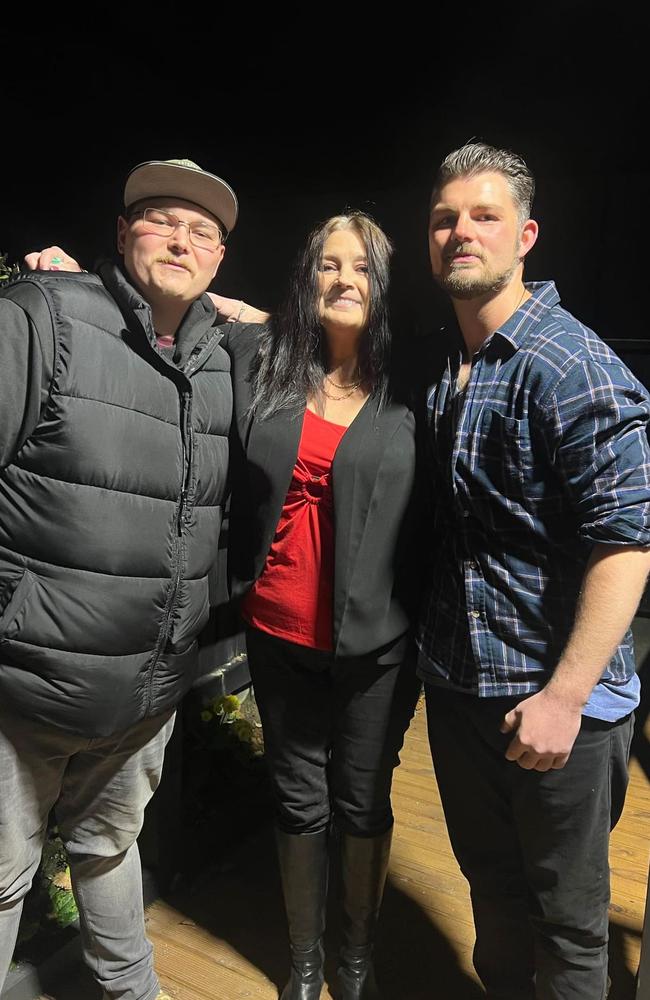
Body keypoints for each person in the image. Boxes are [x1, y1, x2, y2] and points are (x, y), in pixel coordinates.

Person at [27, 211, 423, 1000]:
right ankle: (306, 962)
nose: (345, 281)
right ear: (306, 278)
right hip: (277, 632)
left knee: (364, 799)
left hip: (380, 643)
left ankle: (355, 958)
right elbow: (168, 321)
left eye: (363, 269)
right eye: (328, 266)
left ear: (385, 287)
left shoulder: (416, 384)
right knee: (298, 797)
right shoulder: (264, 360)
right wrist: (76, 285)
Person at [0, 157, 237, 1000]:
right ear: (120, 233)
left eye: (203, 232)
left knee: (111, 848)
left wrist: (236, 311)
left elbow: (323, 332)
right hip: (25, 689)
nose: (182, 238)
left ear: (220, 260)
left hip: (145, 695)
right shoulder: (45, 316)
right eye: (162, 218)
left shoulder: (219, 359)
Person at [418, 141, 650, 999]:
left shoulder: (569, 364)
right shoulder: (453, 362)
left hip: (556, 707)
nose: (460, 231)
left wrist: (566, 697)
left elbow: (628, 540)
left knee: (569, 928)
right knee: (495, 900)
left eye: (484, 216)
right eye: (445, 218)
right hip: (464, 692)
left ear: (527, 236)